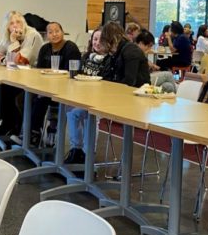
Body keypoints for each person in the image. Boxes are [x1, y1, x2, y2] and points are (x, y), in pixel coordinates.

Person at [31, 22, 82, 146]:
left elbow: (71, 74)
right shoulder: (45, 49)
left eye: (57, 31)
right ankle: (27, 131)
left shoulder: (71, 48)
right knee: (23, 97)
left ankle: (34, 133)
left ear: (63, 32)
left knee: (40, 100)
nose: (54, 34)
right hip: (45, 87)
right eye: (51, 32)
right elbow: (39, 71)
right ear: (46, 35)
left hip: (65, 90)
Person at [64, 27, 108, 164]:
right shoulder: (86, 57)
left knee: (91, 115)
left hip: (101, 100)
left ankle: (88, 153)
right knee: (70, 110)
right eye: (95, 39)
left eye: (101, 40)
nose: (97, 43)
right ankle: (75, 149)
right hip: (84, 97)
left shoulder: (109, 60)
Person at [100, 21, 151, 88]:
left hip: (138, 92)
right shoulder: (115, 53)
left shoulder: (130, 50)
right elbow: (107, 76)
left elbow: (129, 81)